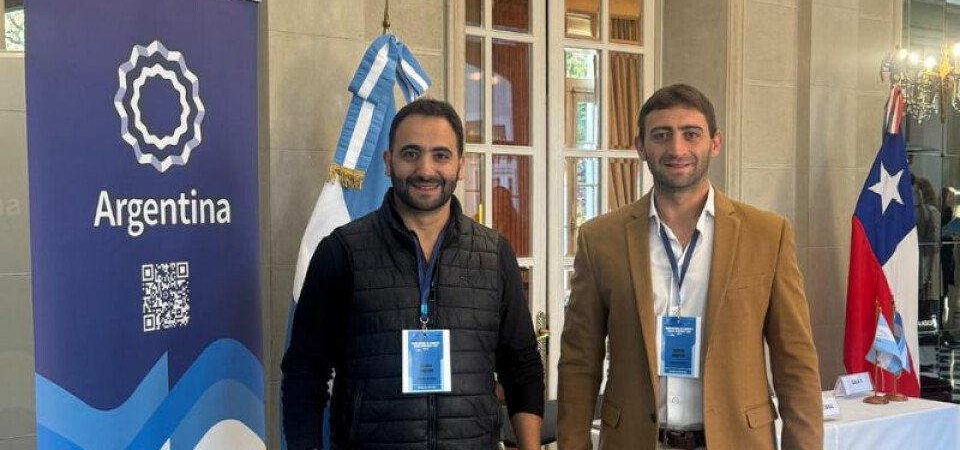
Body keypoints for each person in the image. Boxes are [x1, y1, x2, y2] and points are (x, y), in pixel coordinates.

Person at [557, 84, 822, 450]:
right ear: (640, 146)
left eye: (691, 134)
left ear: (715, 143)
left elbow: (795, 360)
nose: (677, 149)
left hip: (738, 441)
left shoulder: (767, 235)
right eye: (661, 135)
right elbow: (579, 361)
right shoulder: (600, 238)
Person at [281, 98, 544, 450]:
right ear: (388, 162)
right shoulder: (341, 252)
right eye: (410, 154)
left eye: (441, 155)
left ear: (461, 165)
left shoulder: (494, 255)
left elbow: (521, 366)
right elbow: (304, 372)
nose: (425, 169)